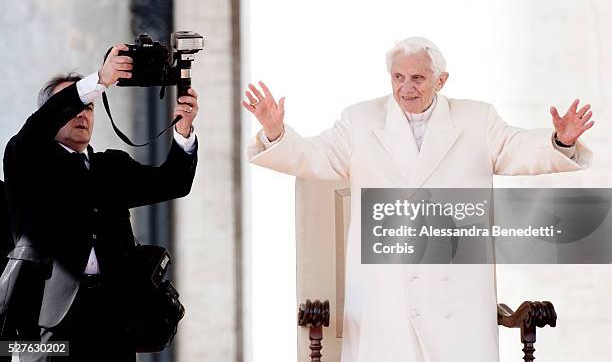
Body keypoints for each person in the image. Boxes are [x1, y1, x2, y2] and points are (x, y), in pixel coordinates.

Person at [242, 37, 594, 362]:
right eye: (397, 77)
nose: (405, 88)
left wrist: (560, 141)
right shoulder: (360, 120)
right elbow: (313, 156)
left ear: (441, 80)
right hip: (386, 288)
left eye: (417, 78)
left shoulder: (476, 119)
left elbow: (516, 151)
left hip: (457, 290)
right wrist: (275, 132)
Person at [3, 44, 199, 362]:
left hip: (113, 317)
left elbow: (173, 183)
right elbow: (42, 122)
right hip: (43, 323)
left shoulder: (111, 166)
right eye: (72, 107)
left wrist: (183, 130)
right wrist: (99, 80)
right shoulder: (25, 159)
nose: (82, 113)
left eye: (90, 108)